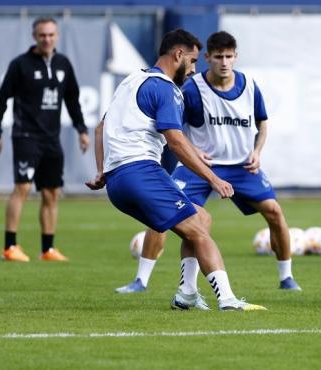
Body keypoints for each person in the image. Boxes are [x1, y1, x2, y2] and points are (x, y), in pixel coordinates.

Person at [86, 29, 266, 311]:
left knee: (201, 219)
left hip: (116, 182)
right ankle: (228, 300)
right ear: (178, 55)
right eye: (193, 61)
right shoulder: (166, 88)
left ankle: (187, 292)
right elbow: (176, 140)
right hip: (141, 172)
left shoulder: (131, 81)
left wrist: (101, 171)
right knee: (199, 231)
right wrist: (213, 178)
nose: (194, 70)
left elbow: (100, 129)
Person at [115, 31, 301, 296]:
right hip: (200, 168)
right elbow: (174, 130)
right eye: (218, 57)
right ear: (207, 58)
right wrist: (193, 151)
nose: (224, 62)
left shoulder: (249, 86)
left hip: (240, 166)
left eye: (228, 56)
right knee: (164, 211)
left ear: (236, 57)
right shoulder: (191, 88)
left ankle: (287, 277)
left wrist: (258, 151)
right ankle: (141, 280)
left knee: (274, 212)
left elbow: (263, 122)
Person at [0, 17, 89, 262]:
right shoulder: (20, 65)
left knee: (51, 193)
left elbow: (73, 100)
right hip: (26, 136)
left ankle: (48, 249)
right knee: (22, 188)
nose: (47, 39)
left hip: (51, 139)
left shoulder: (64, 64)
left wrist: (82, 130)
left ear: (57, 36)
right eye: (42, 35)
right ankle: (9, 247)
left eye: (51, 35)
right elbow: (1, 101)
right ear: (34, 36)